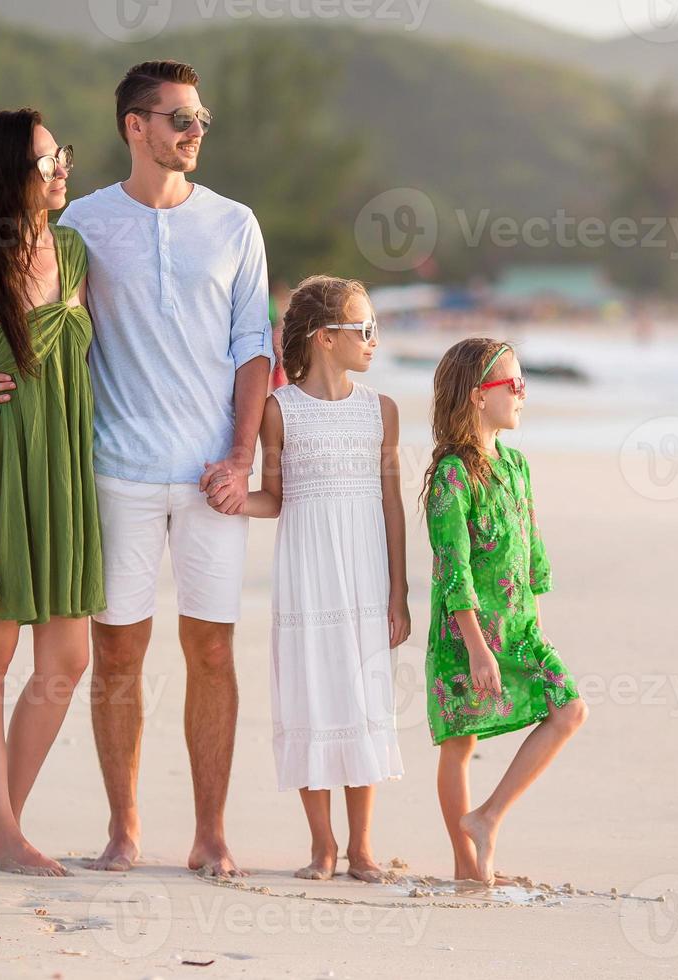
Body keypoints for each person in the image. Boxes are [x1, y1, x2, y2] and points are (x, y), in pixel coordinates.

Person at [0, 61, 273, 877]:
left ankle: (210, 832)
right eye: (179, 118)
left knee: (213, 652)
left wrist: (243, 457)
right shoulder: (83, 227)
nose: (195, 131)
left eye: (201, 118)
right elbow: (11, 299)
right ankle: (126, 828)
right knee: (119, 655)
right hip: (114, 470)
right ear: (135, 127)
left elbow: (255, 350)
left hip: (213, 476)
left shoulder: (237, 224)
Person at [0, 108, 101, 875]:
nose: (62, 167)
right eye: (46, 161)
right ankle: (6, 835)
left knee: (68, 655)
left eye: (61, 154)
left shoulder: (74, 251)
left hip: (67, 471)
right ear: (8, 177)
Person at [243, 275, 409, 882]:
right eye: (362, 329)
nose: (373, 340)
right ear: (324, 338)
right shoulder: (278, 411)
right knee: (313, 695)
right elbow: (274, 497)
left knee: (363, 699)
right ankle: (323, 846)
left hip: (366, 579)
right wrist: (234, 497)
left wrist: (400, 591)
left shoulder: (380, 411)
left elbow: (391, 504)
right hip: (307, 577)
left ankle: (363, 847)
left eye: (374, 329)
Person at [422, 338, 588, 884]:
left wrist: (532, 630)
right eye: (513, 385)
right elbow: (454, 570)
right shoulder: (452, 474)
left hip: (519, 630)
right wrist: (476, 649)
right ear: (477, 396)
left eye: (523, 384)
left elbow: (531, 554)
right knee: (461, 741)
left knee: (569, 710)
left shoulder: (516, 465)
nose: (522, 395)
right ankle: (465, 865)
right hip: (466, 634)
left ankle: (487, 818)